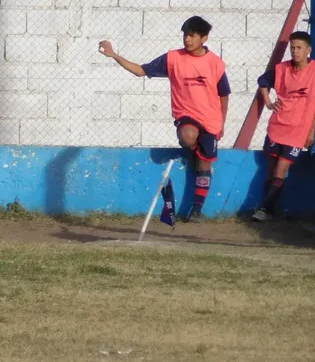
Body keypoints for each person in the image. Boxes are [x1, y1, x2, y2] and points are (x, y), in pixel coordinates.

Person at [98, 16, 231, 222]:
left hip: (211, 120)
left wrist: (222, 122)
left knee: (204, 166)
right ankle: (195, 148)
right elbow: (140, 71)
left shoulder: (215, 63)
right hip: (186, 116)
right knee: (188, 136)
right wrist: (113, 54)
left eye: (192, 36)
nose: (187, 39)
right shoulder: (172, 58)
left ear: (204, 38)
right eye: (185, 35)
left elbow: (224, 94)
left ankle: (197, 210)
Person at [251, 31, 315, 222]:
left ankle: (264, 209)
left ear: (309, 50)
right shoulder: (281, 68)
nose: (294, 51)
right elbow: (262, 81)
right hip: (278, 125)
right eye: (292, 47)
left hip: (299, 129)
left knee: (282, 167)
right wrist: (268, 102)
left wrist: (311, 130)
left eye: (299, 48)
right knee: (271, 167)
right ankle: (272, 210)